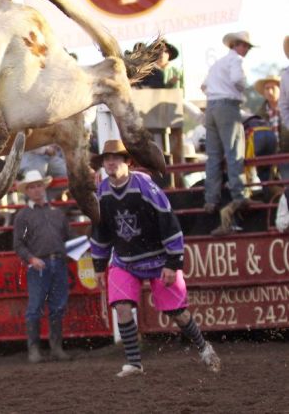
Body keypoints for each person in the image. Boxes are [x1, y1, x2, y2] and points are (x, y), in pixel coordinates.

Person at [90, 139, 221, 377]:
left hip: (159, 259)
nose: (109, 162)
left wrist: (173, 262)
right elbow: (101, 229)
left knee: (178, 313)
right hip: (124, 260)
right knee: (121, 306)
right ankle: (134, 362)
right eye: (106, 159)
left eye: (115, 158)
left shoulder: (144, 186)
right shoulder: (102, 192)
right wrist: (99, 264)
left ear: (127, 162)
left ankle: (204, 347)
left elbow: (168, 221)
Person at [13, 169, 72, 363]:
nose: (37, 190)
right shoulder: (23, 216)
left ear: (43, 188)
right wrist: (31, 259)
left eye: (39, 186)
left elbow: (68, 237)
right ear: (27, 191)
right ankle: (37, 350)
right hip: (38, 264)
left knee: (58, 305)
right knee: (36, 306)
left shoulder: (57, 213)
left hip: (58, 262)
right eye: (32, 187)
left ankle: (54, 348)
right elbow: (18, 245)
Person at [200, 31, 255, 214]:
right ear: (238, 45)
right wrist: (242, 88)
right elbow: (238, 79)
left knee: (213, 155)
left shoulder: (217, 64)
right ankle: (239, 195)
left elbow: (204, 86)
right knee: (233, 151)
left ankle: (211, 200)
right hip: (227, 106)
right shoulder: (236, 61)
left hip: (211, 106)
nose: (246, 49)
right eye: (245, 46)